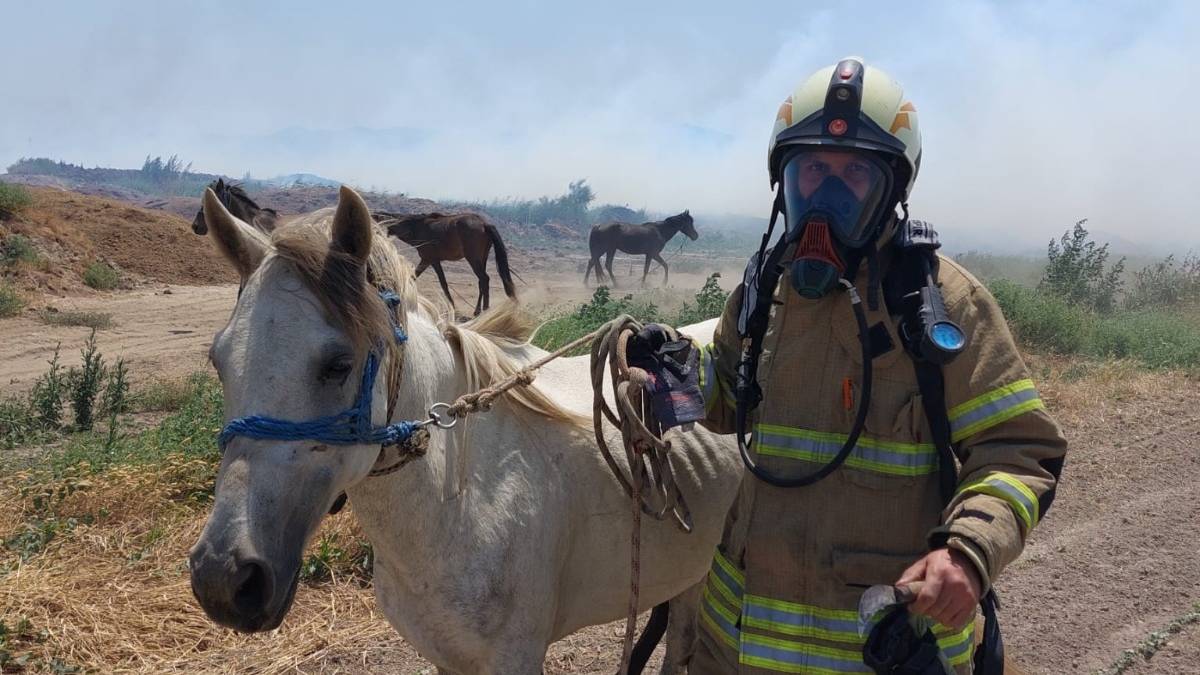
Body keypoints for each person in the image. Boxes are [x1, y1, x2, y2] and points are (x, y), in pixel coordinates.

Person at [645, 58, 1068, 674]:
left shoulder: (943, 305)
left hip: (884, 651)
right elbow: (731, 400)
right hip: (737, 649)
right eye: (813, 169)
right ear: (784, 183)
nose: (828, 194)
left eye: (854, 174)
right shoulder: (765, 290)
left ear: (892, 189)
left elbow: (1019, 452)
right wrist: (673, 368)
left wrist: (969, 552)